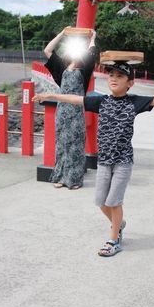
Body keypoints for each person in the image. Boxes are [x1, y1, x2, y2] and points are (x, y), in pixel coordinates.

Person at [32, 61, 154, 257]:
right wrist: (49, 95)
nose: (114, 79)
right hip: (103, 162)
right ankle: (119, 224)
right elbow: (75, 99)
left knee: (114, 201)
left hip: (123, 162)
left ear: (130, 83)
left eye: (120, 76)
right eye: (111, 76)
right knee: (101, 201)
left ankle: (114, 239)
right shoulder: (101, 101)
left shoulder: (134, 102)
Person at [43, 28, 97, 189]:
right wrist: (62, 33)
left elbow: (92, 51)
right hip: (62, 111)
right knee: (62, 144)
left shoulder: (85, 69)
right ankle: (60, 177)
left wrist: (93, 37)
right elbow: (48, 50)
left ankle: (74, 179)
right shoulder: (61, 67)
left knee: (76, 145)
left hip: (76, 111)